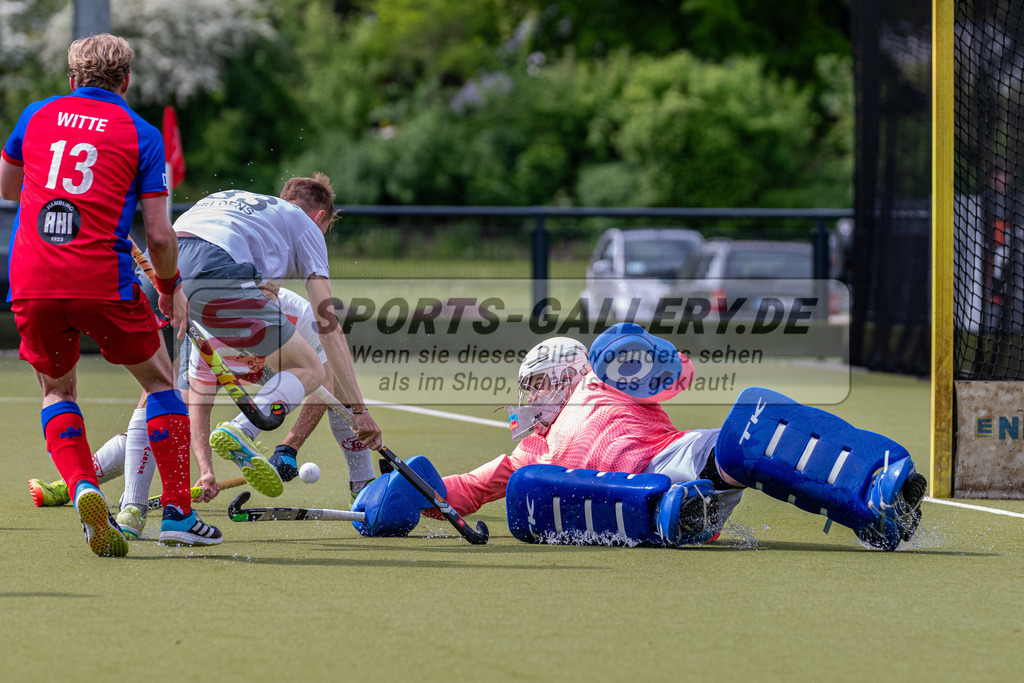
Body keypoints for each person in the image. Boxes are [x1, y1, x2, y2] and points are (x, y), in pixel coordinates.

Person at [386, 323, 926, 550]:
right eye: (528, 388)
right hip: (649, 500)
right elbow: (461, 492)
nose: (531, 398)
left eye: (540, 384)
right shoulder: (530, 447)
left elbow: (671, 371)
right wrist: (401, 492)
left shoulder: (601, 379)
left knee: (752, 430)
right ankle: (670, 515)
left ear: (569, 373)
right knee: (529, 484)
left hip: (670, 461)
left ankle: (876, 495)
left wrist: (639, 354)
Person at [0, 33, 221, 555]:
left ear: (72, 79)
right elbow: (161, 236)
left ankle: (83, 486)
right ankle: (177, 514)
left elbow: (9, 187)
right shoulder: (140, 133)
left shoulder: (35, 113)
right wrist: (169, 289)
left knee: (57, 391)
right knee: (163, 383)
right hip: (102, 281)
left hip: (32, 278)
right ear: (126, 81)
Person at [169, 176, 382, 498]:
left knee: (155, 393)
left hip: (163, 267)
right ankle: (243, 428)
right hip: (215, 278)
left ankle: (134, 505)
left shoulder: (252, 215)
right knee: (315, 370)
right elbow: (328, 324)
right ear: (320, 218)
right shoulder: (306, 227)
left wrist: (207, 471)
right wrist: (360, 411)